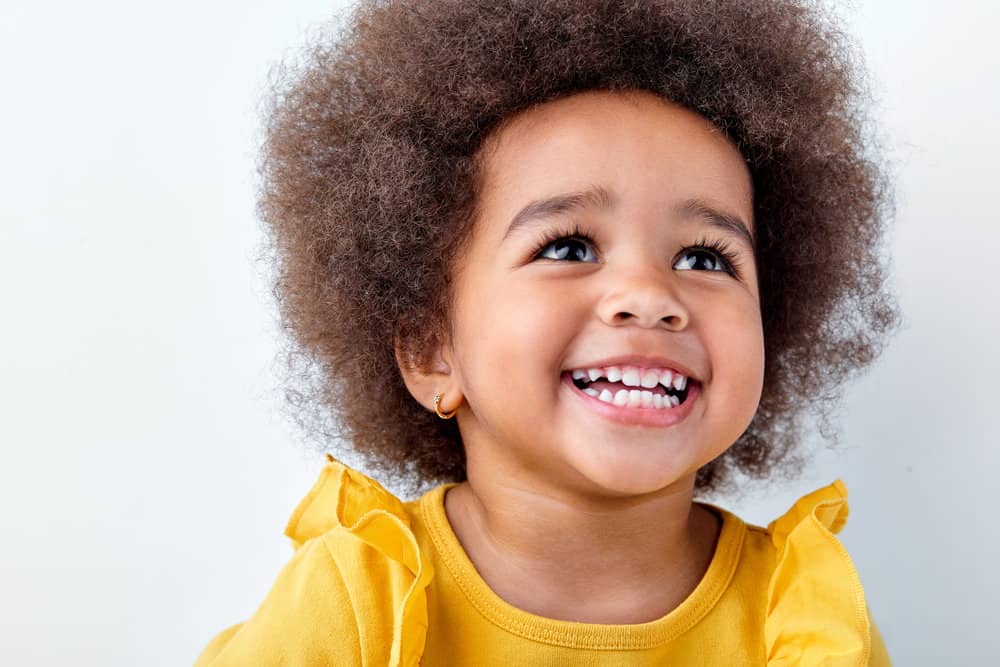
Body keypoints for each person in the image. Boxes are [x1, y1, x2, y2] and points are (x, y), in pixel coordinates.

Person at [195, 0, 898, 664]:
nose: (651, 296)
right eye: (568, 247)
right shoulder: (357, 599)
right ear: (431, 350)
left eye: (706, 257)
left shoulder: (801, 610)